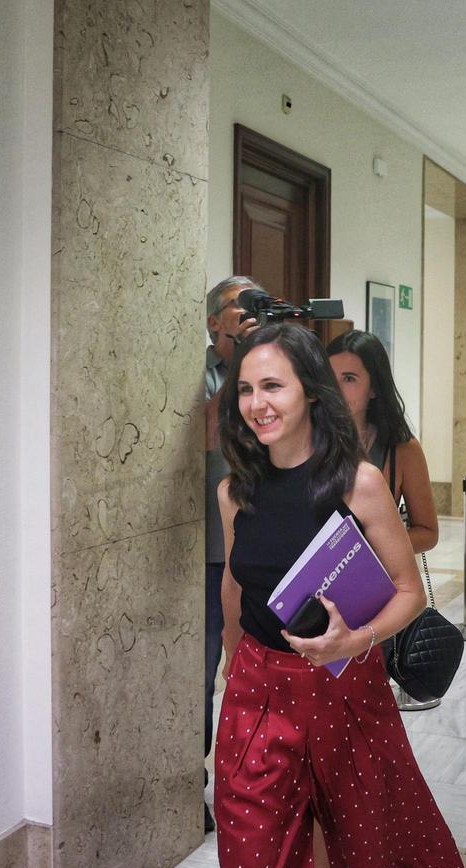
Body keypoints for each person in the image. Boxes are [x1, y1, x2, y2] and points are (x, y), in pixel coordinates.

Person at [215, 322, 466, 868]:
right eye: (246, 390)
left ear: (309, 389)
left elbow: (410, 592)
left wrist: (357, 639)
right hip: (259, 690)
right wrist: (232, 660)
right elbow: (234, 580)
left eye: (272, 386)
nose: (257, 404)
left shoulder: (360, 483)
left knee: (358, 848)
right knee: (252, 860)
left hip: (345, 687)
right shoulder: (236, 491)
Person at [203, 274, 263, 833]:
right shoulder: (202, 372)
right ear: (213, 322)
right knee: (206, 673)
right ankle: (198, 789)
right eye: (236, 307)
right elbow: (203, 435)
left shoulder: (267, 365)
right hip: (210, 549)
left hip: (263, 545)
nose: (248, 313)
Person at [328, 330, 438, 552]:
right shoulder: (304, 441)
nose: (336, 390)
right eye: (330, 378)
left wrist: (367, 552)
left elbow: (427, 532)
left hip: (374, 578)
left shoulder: (403, 449)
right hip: (311, 582)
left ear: (374, 388)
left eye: (349, 379)